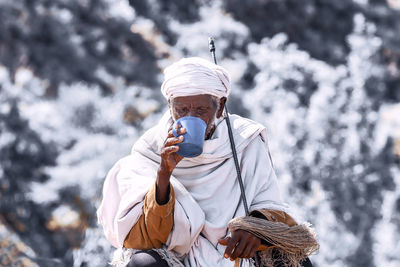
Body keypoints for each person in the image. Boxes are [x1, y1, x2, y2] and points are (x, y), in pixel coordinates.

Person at [97, 57, 317, 267]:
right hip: (178, 256)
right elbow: (150, 238)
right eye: (181, 110)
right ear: (170, 106)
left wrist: (253, 229)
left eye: (201, 110)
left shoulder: (245, 140)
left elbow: (269, 203)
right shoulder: (150, 149)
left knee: (291, 260)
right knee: (143, 263)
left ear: (220, 107)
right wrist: (164, 173)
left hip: (238, 253)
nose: (189, 117)